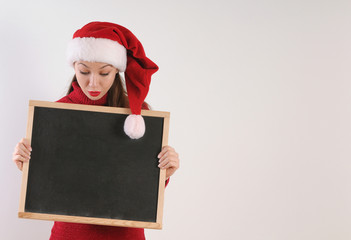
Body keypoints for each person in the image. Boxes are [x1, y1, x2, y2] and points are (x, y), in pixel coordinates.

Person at [12, 21, 180, 240]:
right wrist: (26, 164)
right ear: (74, 67)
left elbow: (141, 189)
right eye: (84, 71)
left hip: (125, 235)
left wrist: (165, 172)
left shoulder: (138, 115)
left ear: (116, 71)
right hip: (69, 235)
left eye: (104, 73)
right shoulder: (54, 115)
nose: (93, 84)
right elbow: (50, 183)